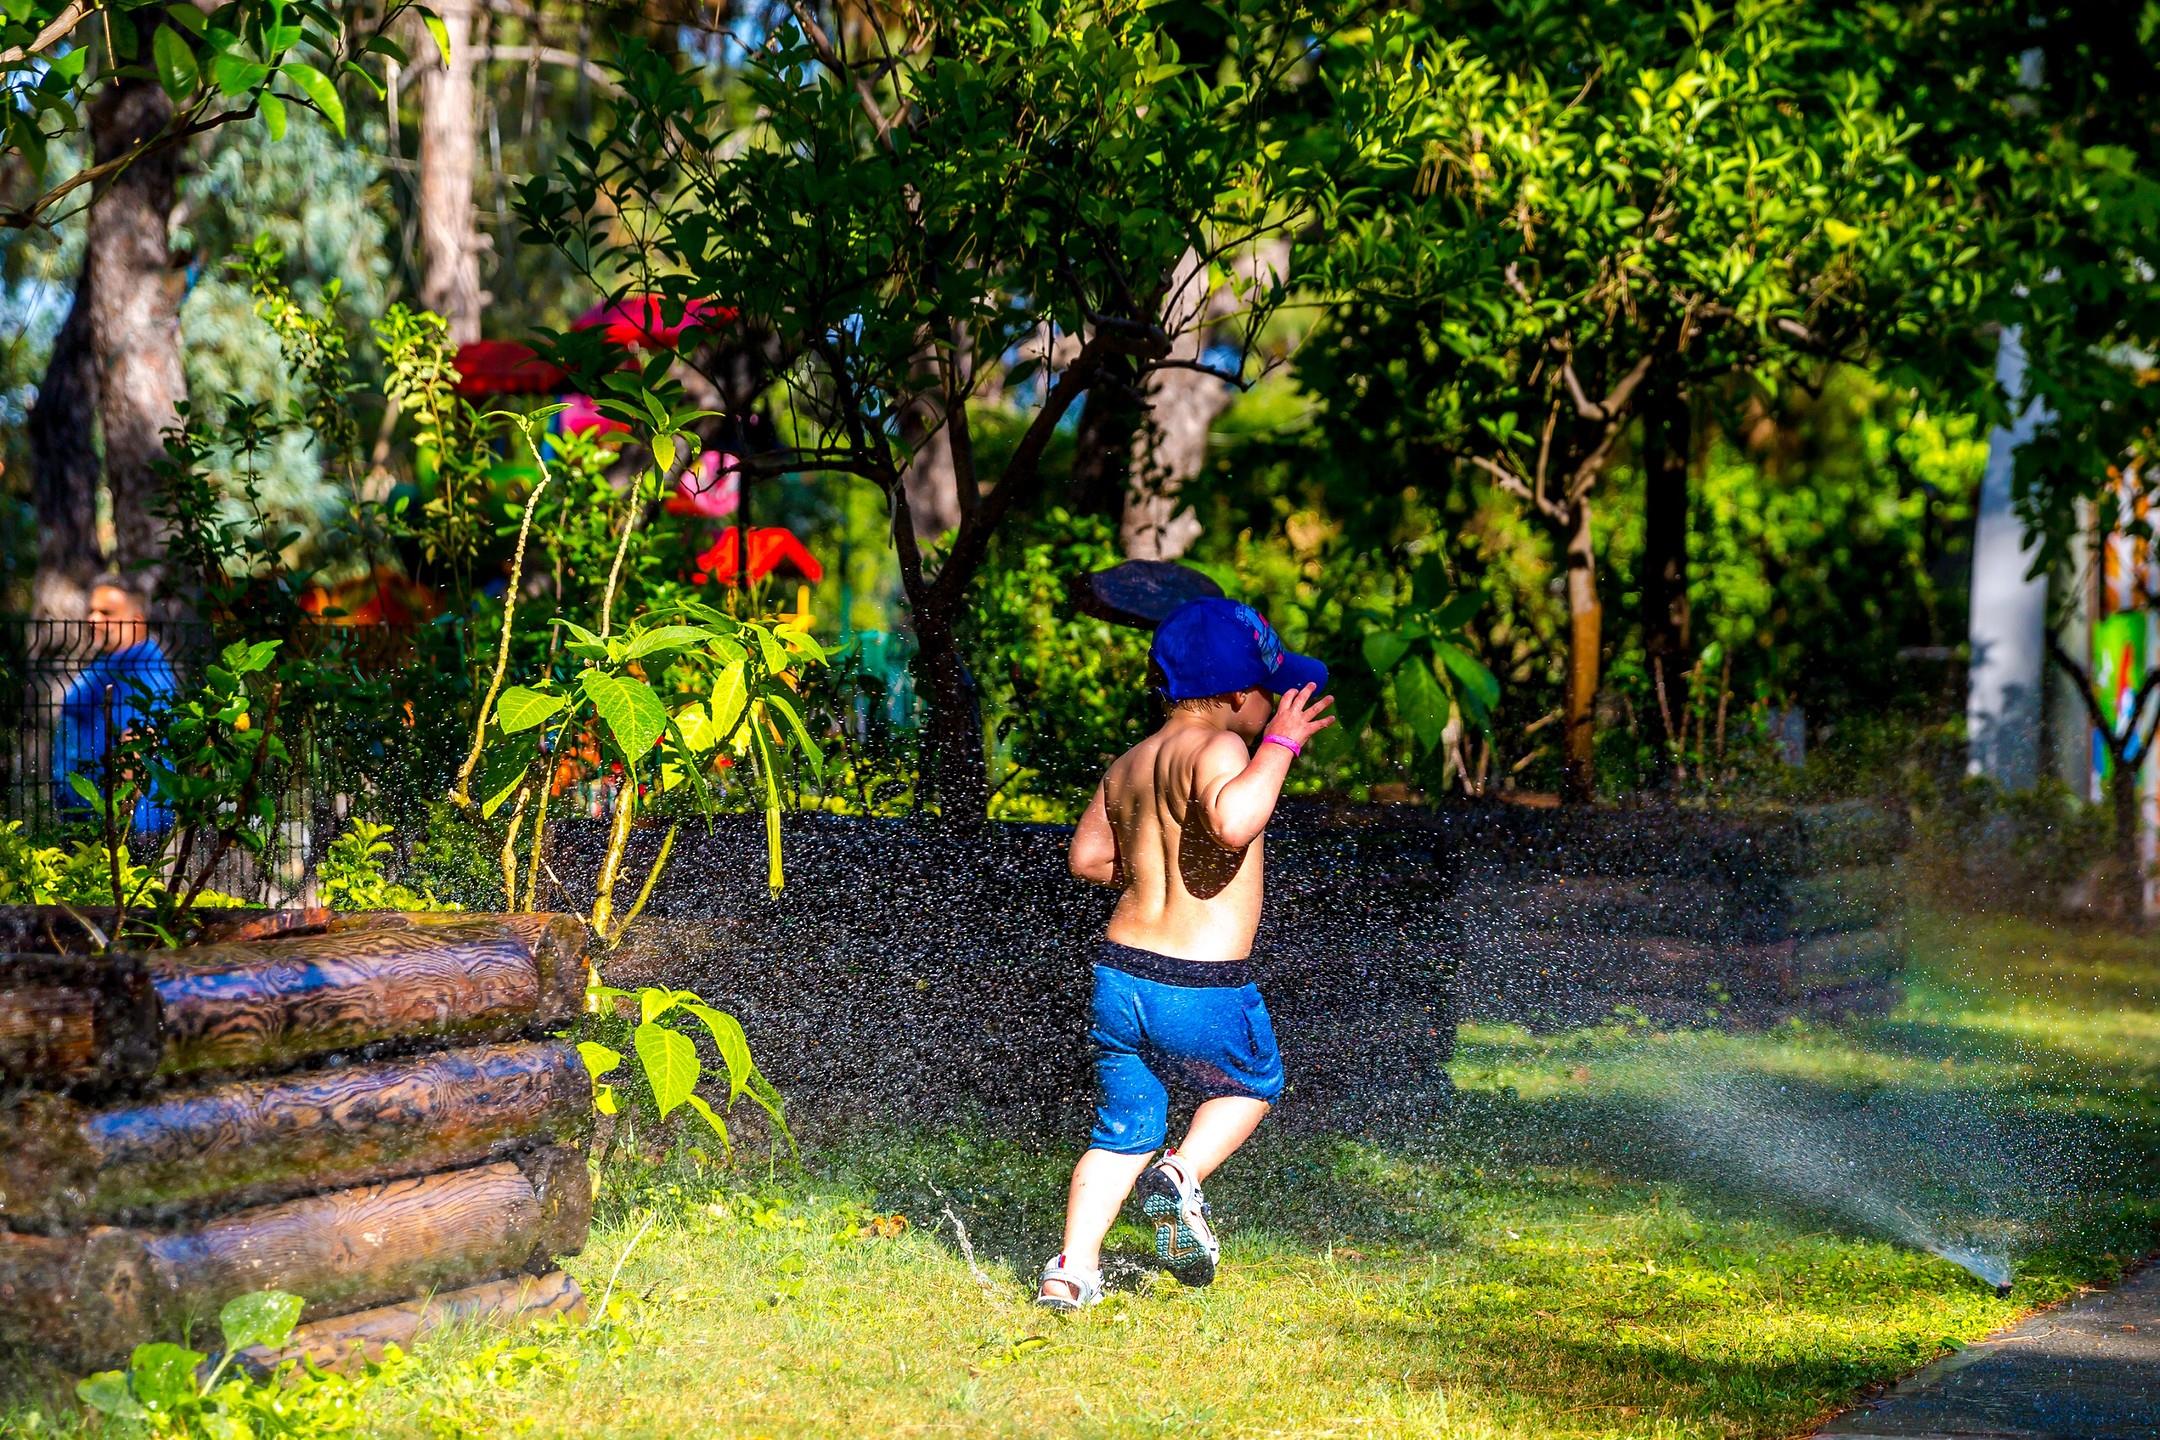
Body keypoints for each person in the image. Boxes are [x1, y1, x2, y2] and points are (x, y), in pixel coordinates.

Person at [1037, 597, 1336, 1310]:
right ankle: (1180, 1174)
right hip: (1200, 983)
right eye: (1272, 693)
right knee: (1250, 1085)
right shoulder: (1225, 749)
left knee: (1123, 1127)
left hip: (1120, 976)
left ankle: (1070, 1270)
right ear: (1240, 695)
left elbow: (1086, 857)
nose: (1275, 706)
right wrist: (1281, 748)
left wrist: (1155, 867)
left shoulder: (1131, 761)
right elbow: (1233, 822)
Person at [52, 575, 179, 835]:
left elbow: (137, 749)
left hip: (125, 831)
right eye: (92, 611)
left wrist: (116, 823)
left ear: (136, 621)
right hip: (88, 822)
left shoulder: (144, 672)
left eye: (107, 613)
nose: (93, 619)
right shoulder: (108, 666)